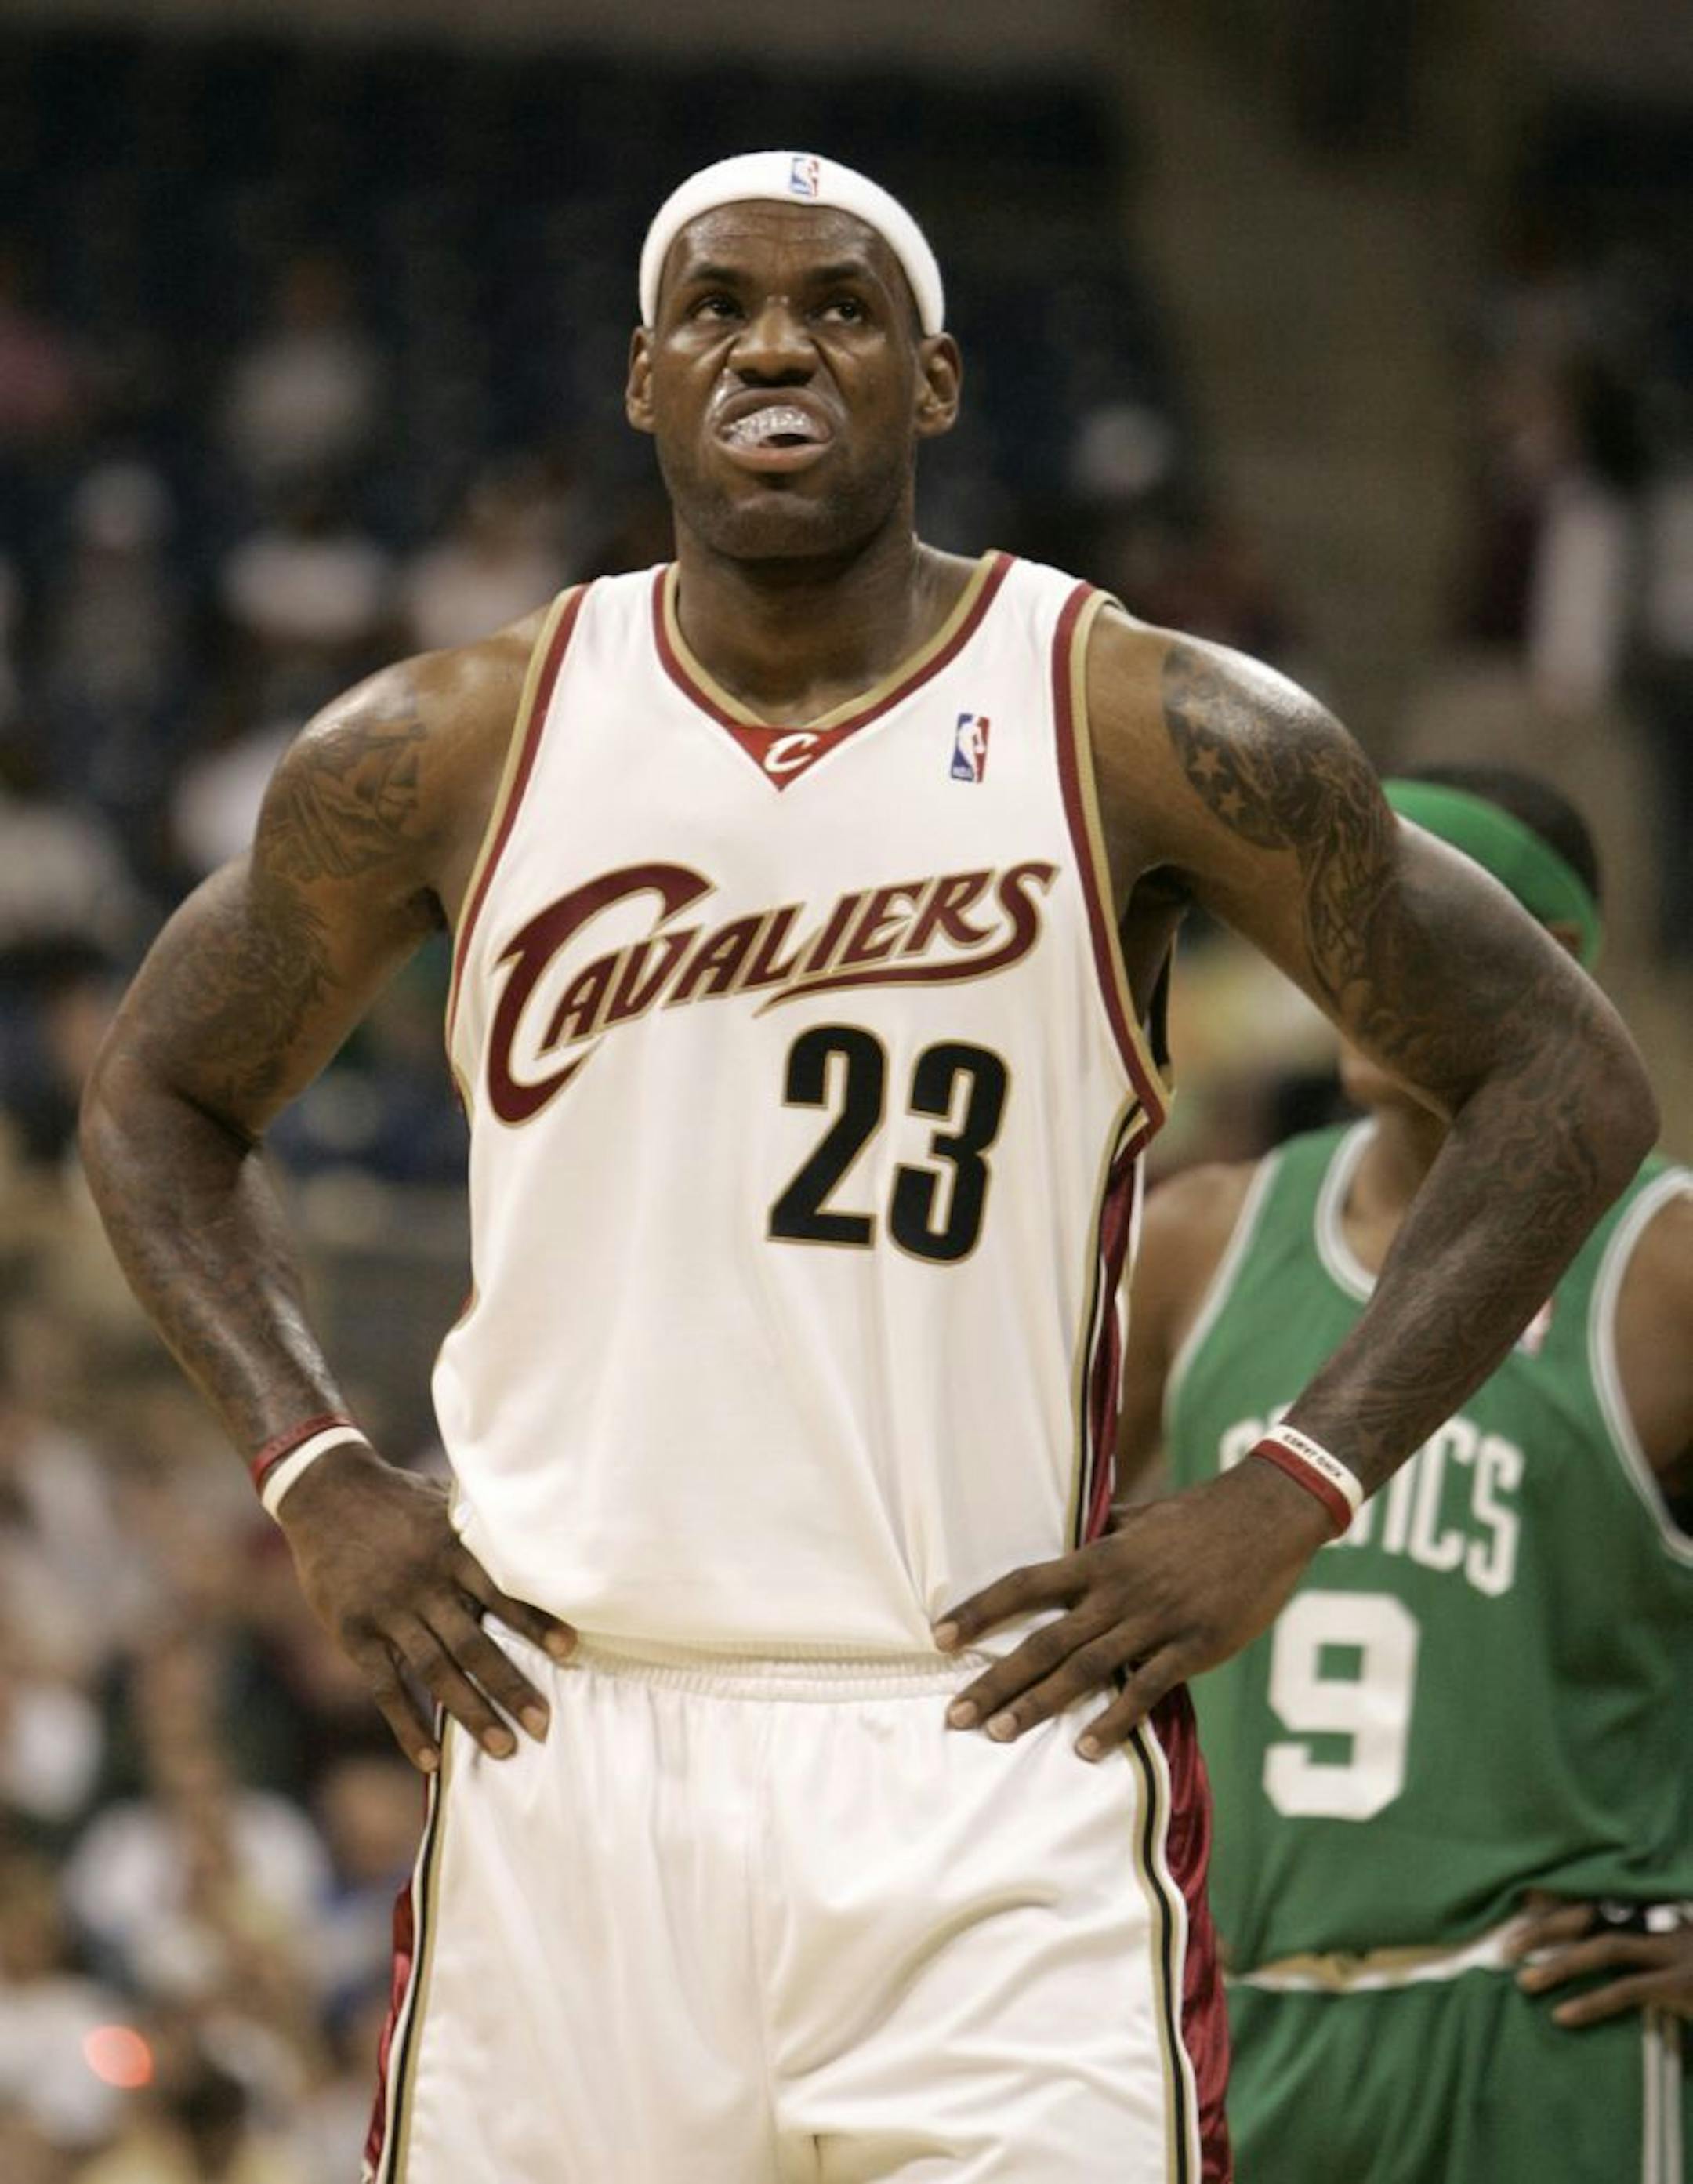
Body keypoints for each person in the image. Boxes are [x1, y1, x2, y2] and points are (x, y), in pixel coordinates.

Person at [78, 150, 1656, 2184]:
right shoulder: (455, 742)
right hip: (573, 1733)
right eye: (719, 306)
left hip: (985, 1740)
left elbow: (1563, 1083)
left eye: (839, 305)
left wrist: (1292, 1488)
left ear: (936, 380)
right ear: (643, 378)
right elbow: (155, 1098)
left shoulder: (1139, 720)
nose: (775, 344)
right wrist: (314, 1470)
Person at [1113, 766, 1692, 2182]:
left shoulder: (1663, 1270)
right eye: (1333, 926)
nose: (1352, 967)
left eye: (1404, 925)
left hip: (1534, 2023)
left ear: (1540, 964)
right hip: (1228, 2020)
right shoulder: (1201, 1240)